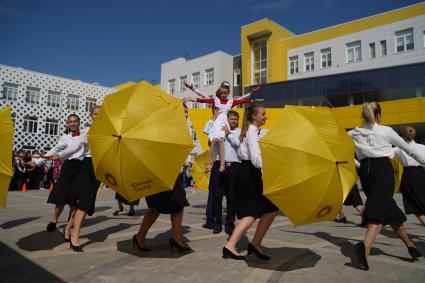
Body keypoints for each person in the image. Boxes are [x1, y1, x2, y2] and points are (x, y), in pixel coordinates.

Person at [348, 102, 425, 271]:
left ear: (363, 116)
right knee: (379, 210)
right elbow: (409, 150)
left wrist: (358, 163)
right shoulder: (386, 131)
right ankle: (364, 247)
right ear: (378, 116)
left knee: (390, 210)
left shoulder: (354, 132)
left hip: (366, 174)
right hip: (382, 171)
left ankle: (410, 245)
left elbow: (340, 149)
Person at [132, 103, 192, 253]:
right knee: (155, 208)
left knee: (178, 204)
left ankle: (176, 238)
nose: (185, 114)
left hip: (175, 174)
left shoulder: (184, 131)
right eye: (182, 111)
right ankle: (140, 236)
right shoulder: (166, 129)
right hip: (160, 174)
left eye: (186, 112)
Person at [223, 105, 278, 261]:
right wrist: (271, 167)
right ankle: (231, 246)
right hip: (250, 174)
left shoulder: (248, 131)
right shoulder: (252, 132)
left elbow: (242, 154)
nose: (266, 116)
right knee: (253, 212)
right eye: (263, 114)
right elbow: (255, 159)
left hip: (246, 172)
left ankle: (255, 243)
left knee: (270, 209)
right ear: (254, 116)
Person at [28, 114, 85, 232]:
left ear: (79, 123)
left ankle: (70, 220)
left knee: (74, 199)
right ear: (68, 124)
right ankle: (54, 220)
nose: (73, 123)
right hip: (68, 167)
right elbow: (54, 150)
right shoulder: (65, 138)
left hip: (81, 168)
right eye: (70, 122)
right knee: (61, 196)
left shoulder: (85, 135)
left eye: (75, 121)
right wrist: (37, 162)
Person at [185, 81, 258, 172]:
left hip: (225, 124)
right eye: (221, 93)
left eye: (225, 93)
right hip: (217, 123)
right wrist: (194, 98)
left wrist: (251, 96)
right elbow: (204, 98)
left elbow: (241, 99)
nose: (223, 95)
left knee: (221, 140)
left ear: (228, 93)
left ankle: (222, 164)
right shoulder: (216, 101)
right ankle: (208, 163)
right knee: (214, 141)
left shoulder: (231, 102)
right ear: (219, 93)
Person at [59, 106, 103, 252]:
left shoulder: (110, 131)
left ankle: (68, 227)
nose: (98, 116)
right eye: (96, 114)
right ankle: (75, 236)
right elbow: (75, 147)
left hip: (99, 168)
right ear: (91, 115)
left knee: (87, 206)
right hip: (87, 167)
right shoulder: (87, 131)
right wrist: (60, 155)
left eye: (100, 113)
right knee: (84, 203)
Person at [205, 110, 241, 235]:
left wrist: (228, 134)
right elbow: (211, 144)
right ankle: (217, 223)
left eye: (235, 119)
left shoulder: (239, 131)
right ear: (227, 120)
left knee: (232, 197)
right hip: (219, 165)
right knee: (217, 196)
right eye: (231, 119)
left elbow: (238, 144)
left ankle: (230, 223)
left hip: (234, 166)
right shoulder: (219, 129)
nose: (233, 121)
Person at [393, 126, 425, 226]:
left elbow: (386, 154)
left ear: (402, 136)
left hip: (409, 175)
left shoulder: (398, 149)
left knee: (414, 204)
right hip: (422, 173)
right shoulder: (423, 147)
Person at [201, 106, 220, 230]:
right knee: (213, 193)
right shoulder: (213, 125)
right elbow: (207, 133)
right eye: (218, 110)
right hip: (217, 163)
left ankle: (227, 220)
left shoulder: (227, 124)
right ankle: (209, 219)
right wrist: (214, 116)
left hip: (229, 163)